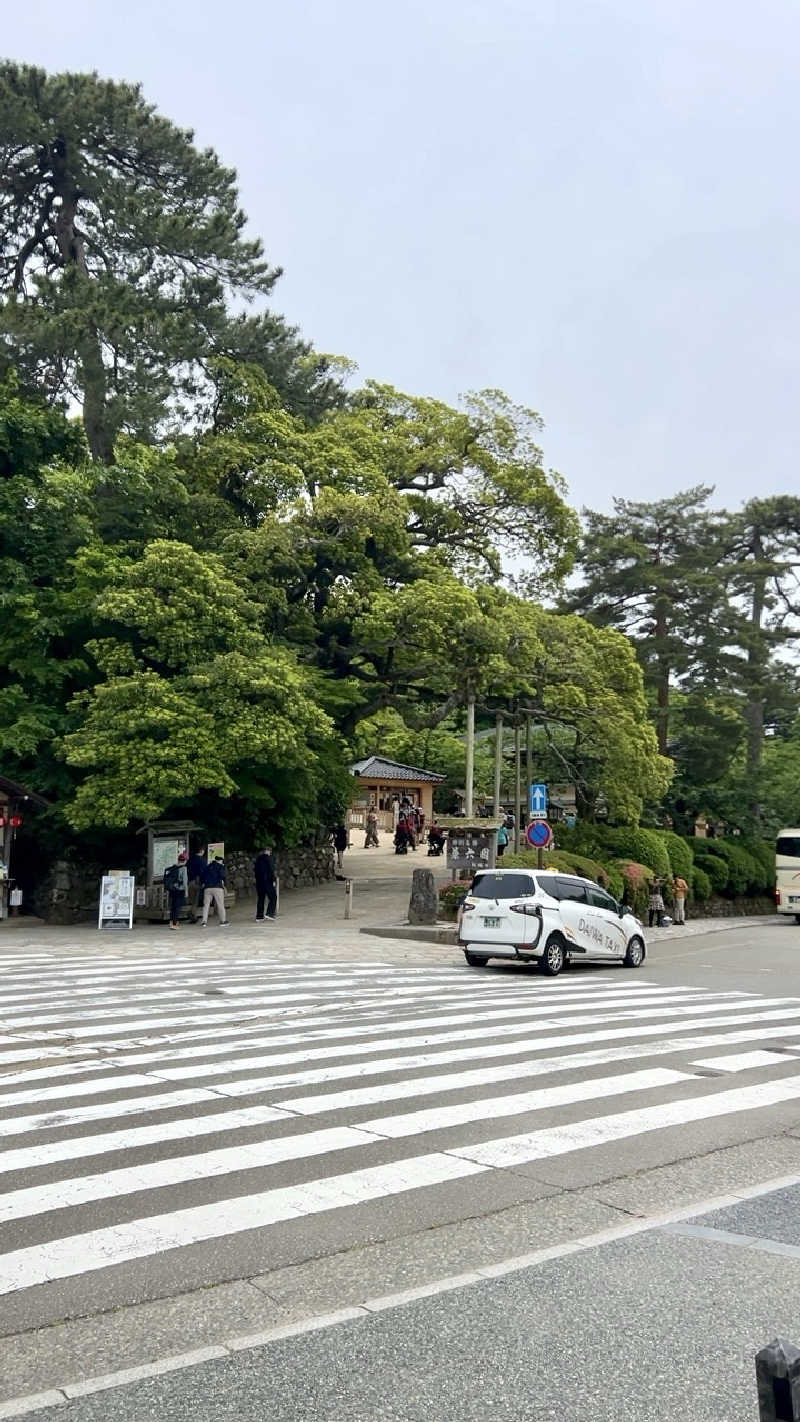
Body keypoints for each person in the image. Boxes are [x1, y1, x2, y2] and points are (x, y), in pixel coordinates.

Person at [201, 855, 228, 927]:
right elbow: (223, 876)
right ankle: (223, 921)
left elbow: (202, 877)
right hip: (217, 887)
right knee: (220, 904)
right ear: (220, 861)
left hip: (207, 888)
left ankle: (204, 921)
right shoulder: (220, 867)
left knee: (206, 905)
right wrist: (225, 886)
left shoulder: (207, 867)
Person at [164, 852, 188, 930]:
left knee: (173, 906)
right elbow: (185, 881)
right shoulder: (184, 868)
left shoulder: (173, 867)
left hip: (172, 889)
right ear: (184, 861)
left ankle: (171, 922)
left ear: (178, 860)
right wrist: (186, 892)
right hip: (179, 889)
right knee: (177, 907)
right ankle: (175, 923)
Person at [254, 847, 277, 922]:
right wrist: (273, 880)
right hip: (267, 882)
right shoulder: (269, 859)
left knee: (261, 899)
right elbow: (271, 870)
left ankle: (259, 916)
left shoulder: (258, 860)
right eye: (270, 852)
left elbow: (255, 871)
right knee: (273, 897)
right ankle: (270, 913)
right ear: (268, 851)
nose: (270, 853)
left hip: (259, 883)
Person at [186, 846, 207, 921]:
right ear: (201, 851)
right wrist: (204, 882)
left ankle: (192, 913)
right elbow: (204, 872)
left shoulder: (190, 860)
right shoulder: (202, 861)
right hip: (198, 882)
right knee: (196, 900)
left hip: (190, 882)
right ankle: (192, 914)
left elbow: (186, 870)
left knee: (192, 900)